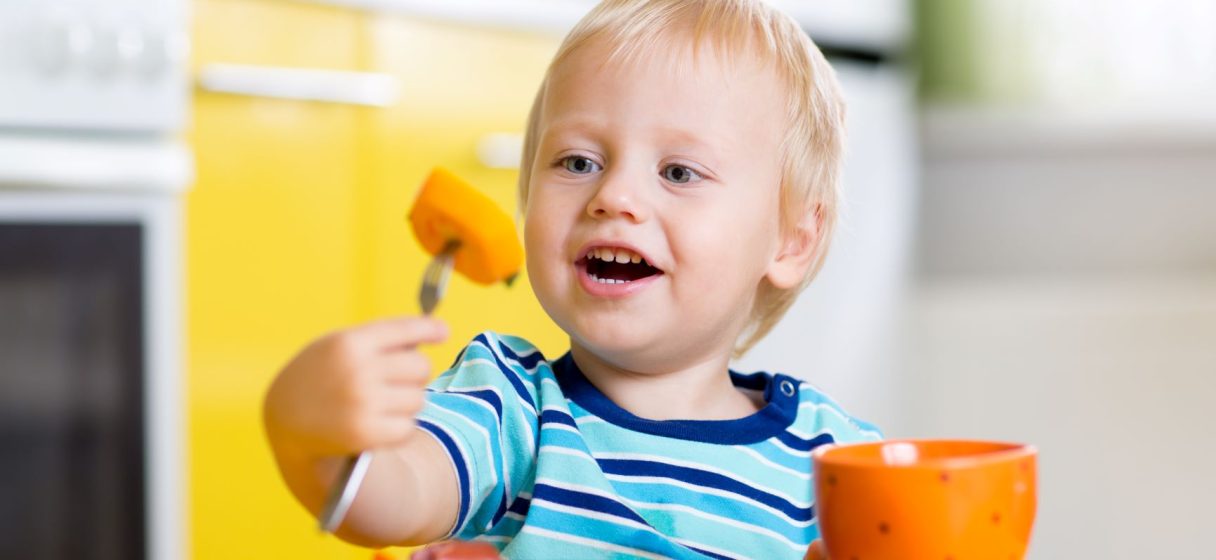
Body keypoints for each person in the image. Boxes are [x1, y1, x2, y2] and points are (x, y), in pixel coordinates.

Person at [264, 1, 882, 558]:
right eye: (578, 162)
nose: (614, 195)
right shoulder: (509, 409)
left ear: (792, 239)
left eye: (679, 172)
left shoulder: (837, 463)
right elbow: (393, 494)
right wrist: (310, 439)